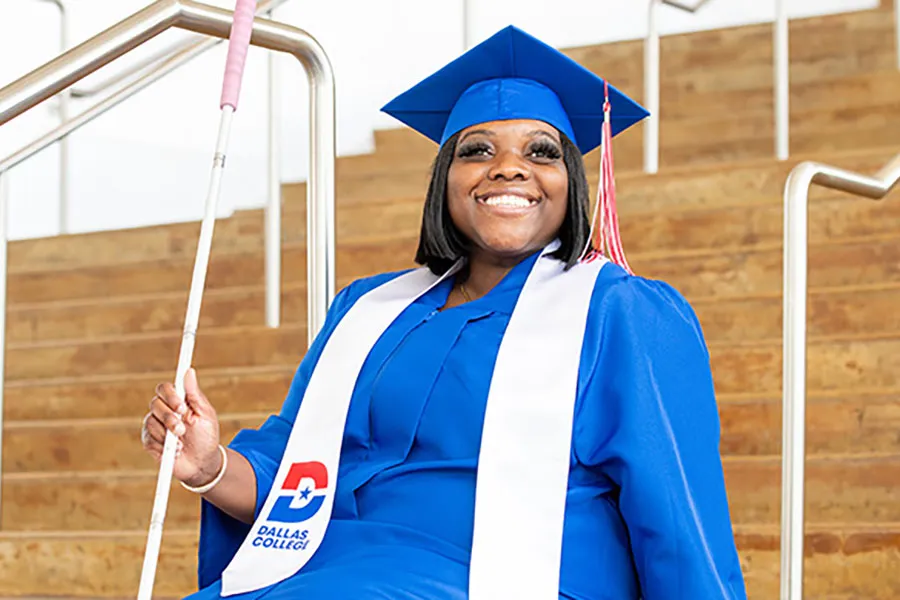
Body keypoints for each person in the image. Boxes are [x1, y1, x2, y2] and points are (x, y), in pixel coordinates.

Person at [141, 25, 747, 599]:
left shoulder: (621, 311)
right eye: (477, 149)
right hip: (337, 569)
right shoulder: (367, 310)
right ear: (445, 181)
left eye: (542, 152)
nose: (509, 167)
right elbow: (293, 486)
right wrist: (207, 464)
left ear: (574, 183)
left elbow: (676, 509)